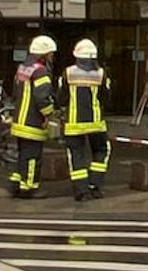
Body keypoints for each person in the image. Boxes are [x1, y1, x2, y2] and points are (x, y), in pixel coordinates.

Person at [60, 39, 110, 202]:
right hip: (95, 122)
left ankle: (81, 190)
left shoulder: (68, 73)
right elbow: (106, 98)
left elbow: (61, 98)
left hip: (73, 124)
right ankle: (95, 185)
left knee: (76, 155)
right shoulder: (101, 73)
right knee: (101, 150)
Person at [8, 35, 58, 198]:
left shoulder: (23, 67)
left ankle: (17, 183)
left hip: (19, 119)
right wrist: (50, 114)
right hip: (32, 121)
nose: (52, 57)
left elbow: (15, 92)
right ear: (44, 54)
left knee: (22, 153)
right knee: (32, 156)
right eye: (50, 53)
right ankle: (28, 188)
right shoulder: (40, 71)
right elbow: (42, 97)